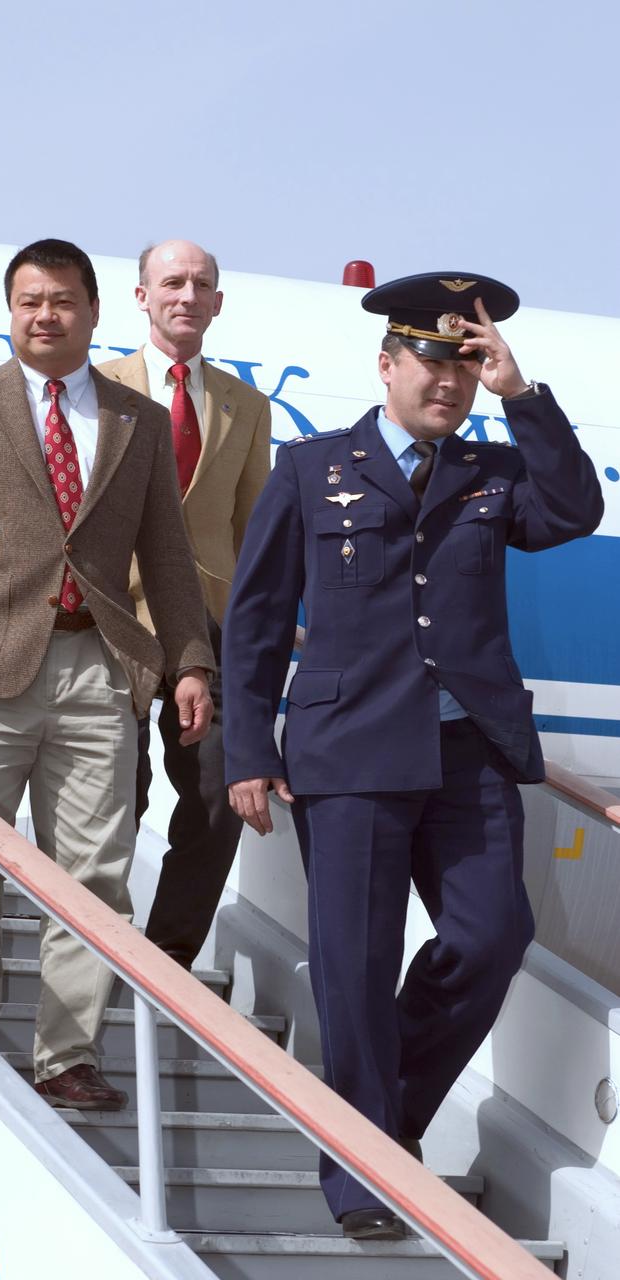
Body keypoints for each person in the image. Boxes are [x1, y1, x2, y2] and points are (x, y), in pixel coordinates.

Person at [222, 272, 604, 1238]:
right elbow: (259, 622)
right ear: (386, 364)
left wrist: (523, 396)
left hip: (470, 754)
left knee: (491, 937)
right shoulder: (313, 469)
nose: (449, 381)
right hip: (348, 752)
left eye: (464, 365)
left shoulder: (493, 472)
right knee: (354, 965)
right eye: (431, 361)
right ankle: (365, 1176)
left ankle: (376, 1121)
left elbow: (575, 512)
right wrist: (246, 750)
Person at [0, 239, 215, 1111]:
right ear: (11, 312)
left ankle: (67, 1055)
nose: (45, 315)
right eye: (29, 302)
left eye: (61, 300)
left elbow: (167, 557)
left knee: (94, 870)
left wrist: (191, 661)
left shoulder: (135, 424)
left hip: (100, 665)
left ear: (95, 312)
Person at [98, 240, 271, 969]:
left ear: (218, 303)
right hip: (116, 618)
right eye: (172, 282)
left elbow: (251, 525)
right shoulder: (97, 388)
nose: (187, 295)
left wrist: (264, 624)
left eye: (202, 284)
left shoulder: (246, 405)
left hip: (211, 624)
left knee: (216, 797)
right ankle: (94, 943)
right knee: (114, 796)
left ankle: (167, 957)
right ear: (142, 295)